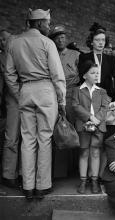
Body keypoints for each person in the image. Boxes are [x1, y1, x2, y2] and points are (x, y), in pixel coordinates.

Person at [4, 9, 66, 200]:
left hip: (25, 91)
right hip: (46, 90)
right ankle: (42, 185)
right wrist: (61, 99)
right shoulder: (47, 43)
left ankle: (28, 186)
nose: (49, 26)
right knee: (44, 138)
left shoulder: (14, 43)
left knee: (28, 139)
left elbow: (9, 73)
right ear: (39, 23)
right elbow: (57, 75)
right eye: (47, 23)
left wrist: (18, 92)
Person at [72, 60, 109, 194]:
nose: (96, 75)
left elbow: (105, 107)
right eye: (92, 73)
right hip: (83, 125)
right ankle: (83, 180)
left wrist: (97, 119)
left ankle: (94, 181)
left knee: (95, 151)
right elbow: (75, 106)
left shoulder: (102, 91)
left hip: (98, 126)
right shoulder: (77, 90)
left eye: (97, 73)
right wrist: (89, 117)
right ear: (84, 75)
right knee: (84, 152)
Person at [78, 22, 115, 103]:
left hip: (107, 96)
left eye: (103, 40)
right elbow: (81, 76)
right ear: (91, 42)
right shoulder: (84, 57)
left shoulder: (111, 59)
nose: (100, 42)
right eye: (97, 40)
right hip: (88, 95)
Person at [0, 29, 21, 189]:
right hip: (12, 100)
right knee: (11, 138)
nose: (4, 42)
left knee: (26, 139)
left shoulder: (17, 54)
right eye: (2, 39)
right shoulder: (3, 57)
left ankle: (21, 172)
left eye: (6, 39)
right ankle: (8, 174)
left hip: (24, 97)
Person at [49, 24, 80, 125]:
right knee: (55, 122)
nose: (60, 40)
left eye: (62, 37)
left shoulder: (75, 54)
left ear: (66, 38)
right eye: (57, 38)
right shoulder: (50, 55)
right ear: (53, 40)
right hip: (54, 93)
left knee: (71, 121)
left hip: (71, 92)